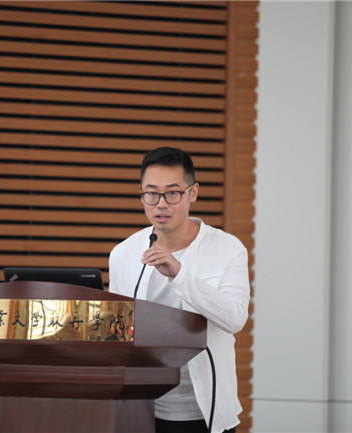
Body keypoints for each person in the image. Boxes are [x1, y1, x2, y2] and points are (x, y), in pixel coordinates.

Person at [108, 147, 251, 433]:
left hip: (206, 410)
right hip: (142, 409)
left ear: (192, 193)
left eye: (172, 193)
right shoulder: (123, 253)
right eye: (151, 194)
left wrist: (180, 274)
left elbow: (235, 319)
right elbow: (117, 331)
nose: (161, 204)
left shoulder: (227, 248)